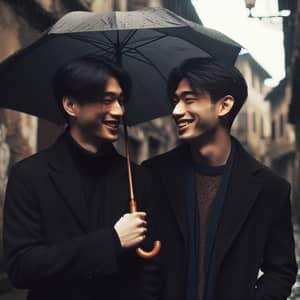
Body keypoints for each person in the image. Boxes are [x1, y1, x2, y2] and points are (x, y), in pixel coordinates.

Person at [4, 56, 159, 300]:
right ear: (71, 105)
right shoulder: (29, 175)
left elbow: (150, 271)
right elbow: (21, 267)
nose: (119, 111)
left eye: (121, 100)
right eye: (108, 100)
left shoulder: (137, 178)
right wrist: (112, 241)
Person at [142, 57, 297, 300]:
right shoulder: (155, 174)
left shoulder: (270, 188)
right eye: (175, 100)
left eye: (189, 100)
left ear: (224, 106)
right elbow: (144, 264)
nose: (176, 111)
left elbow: (281, 270)